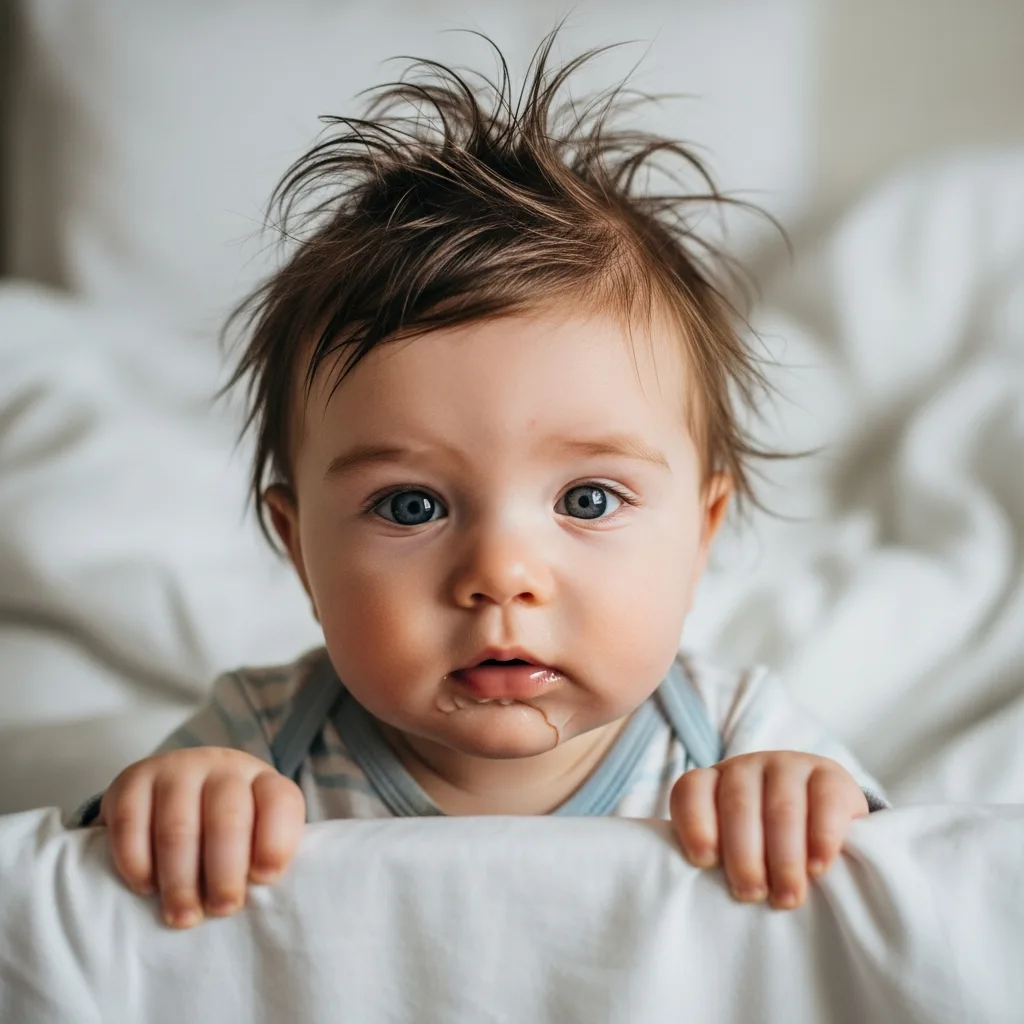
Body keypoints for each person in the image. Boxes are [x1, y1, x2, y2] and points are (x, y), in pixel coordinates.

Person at [72, 30, 886, 930]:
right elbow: (85, 898)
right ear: (299, 547)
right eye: (411, 505)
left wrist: (819, 809)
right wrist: (167, 806)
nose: (500, 574)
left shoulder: (736, 738)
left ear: (702, 532)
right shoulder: (261, 742)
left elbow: (910, 889)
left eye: (588, 499)